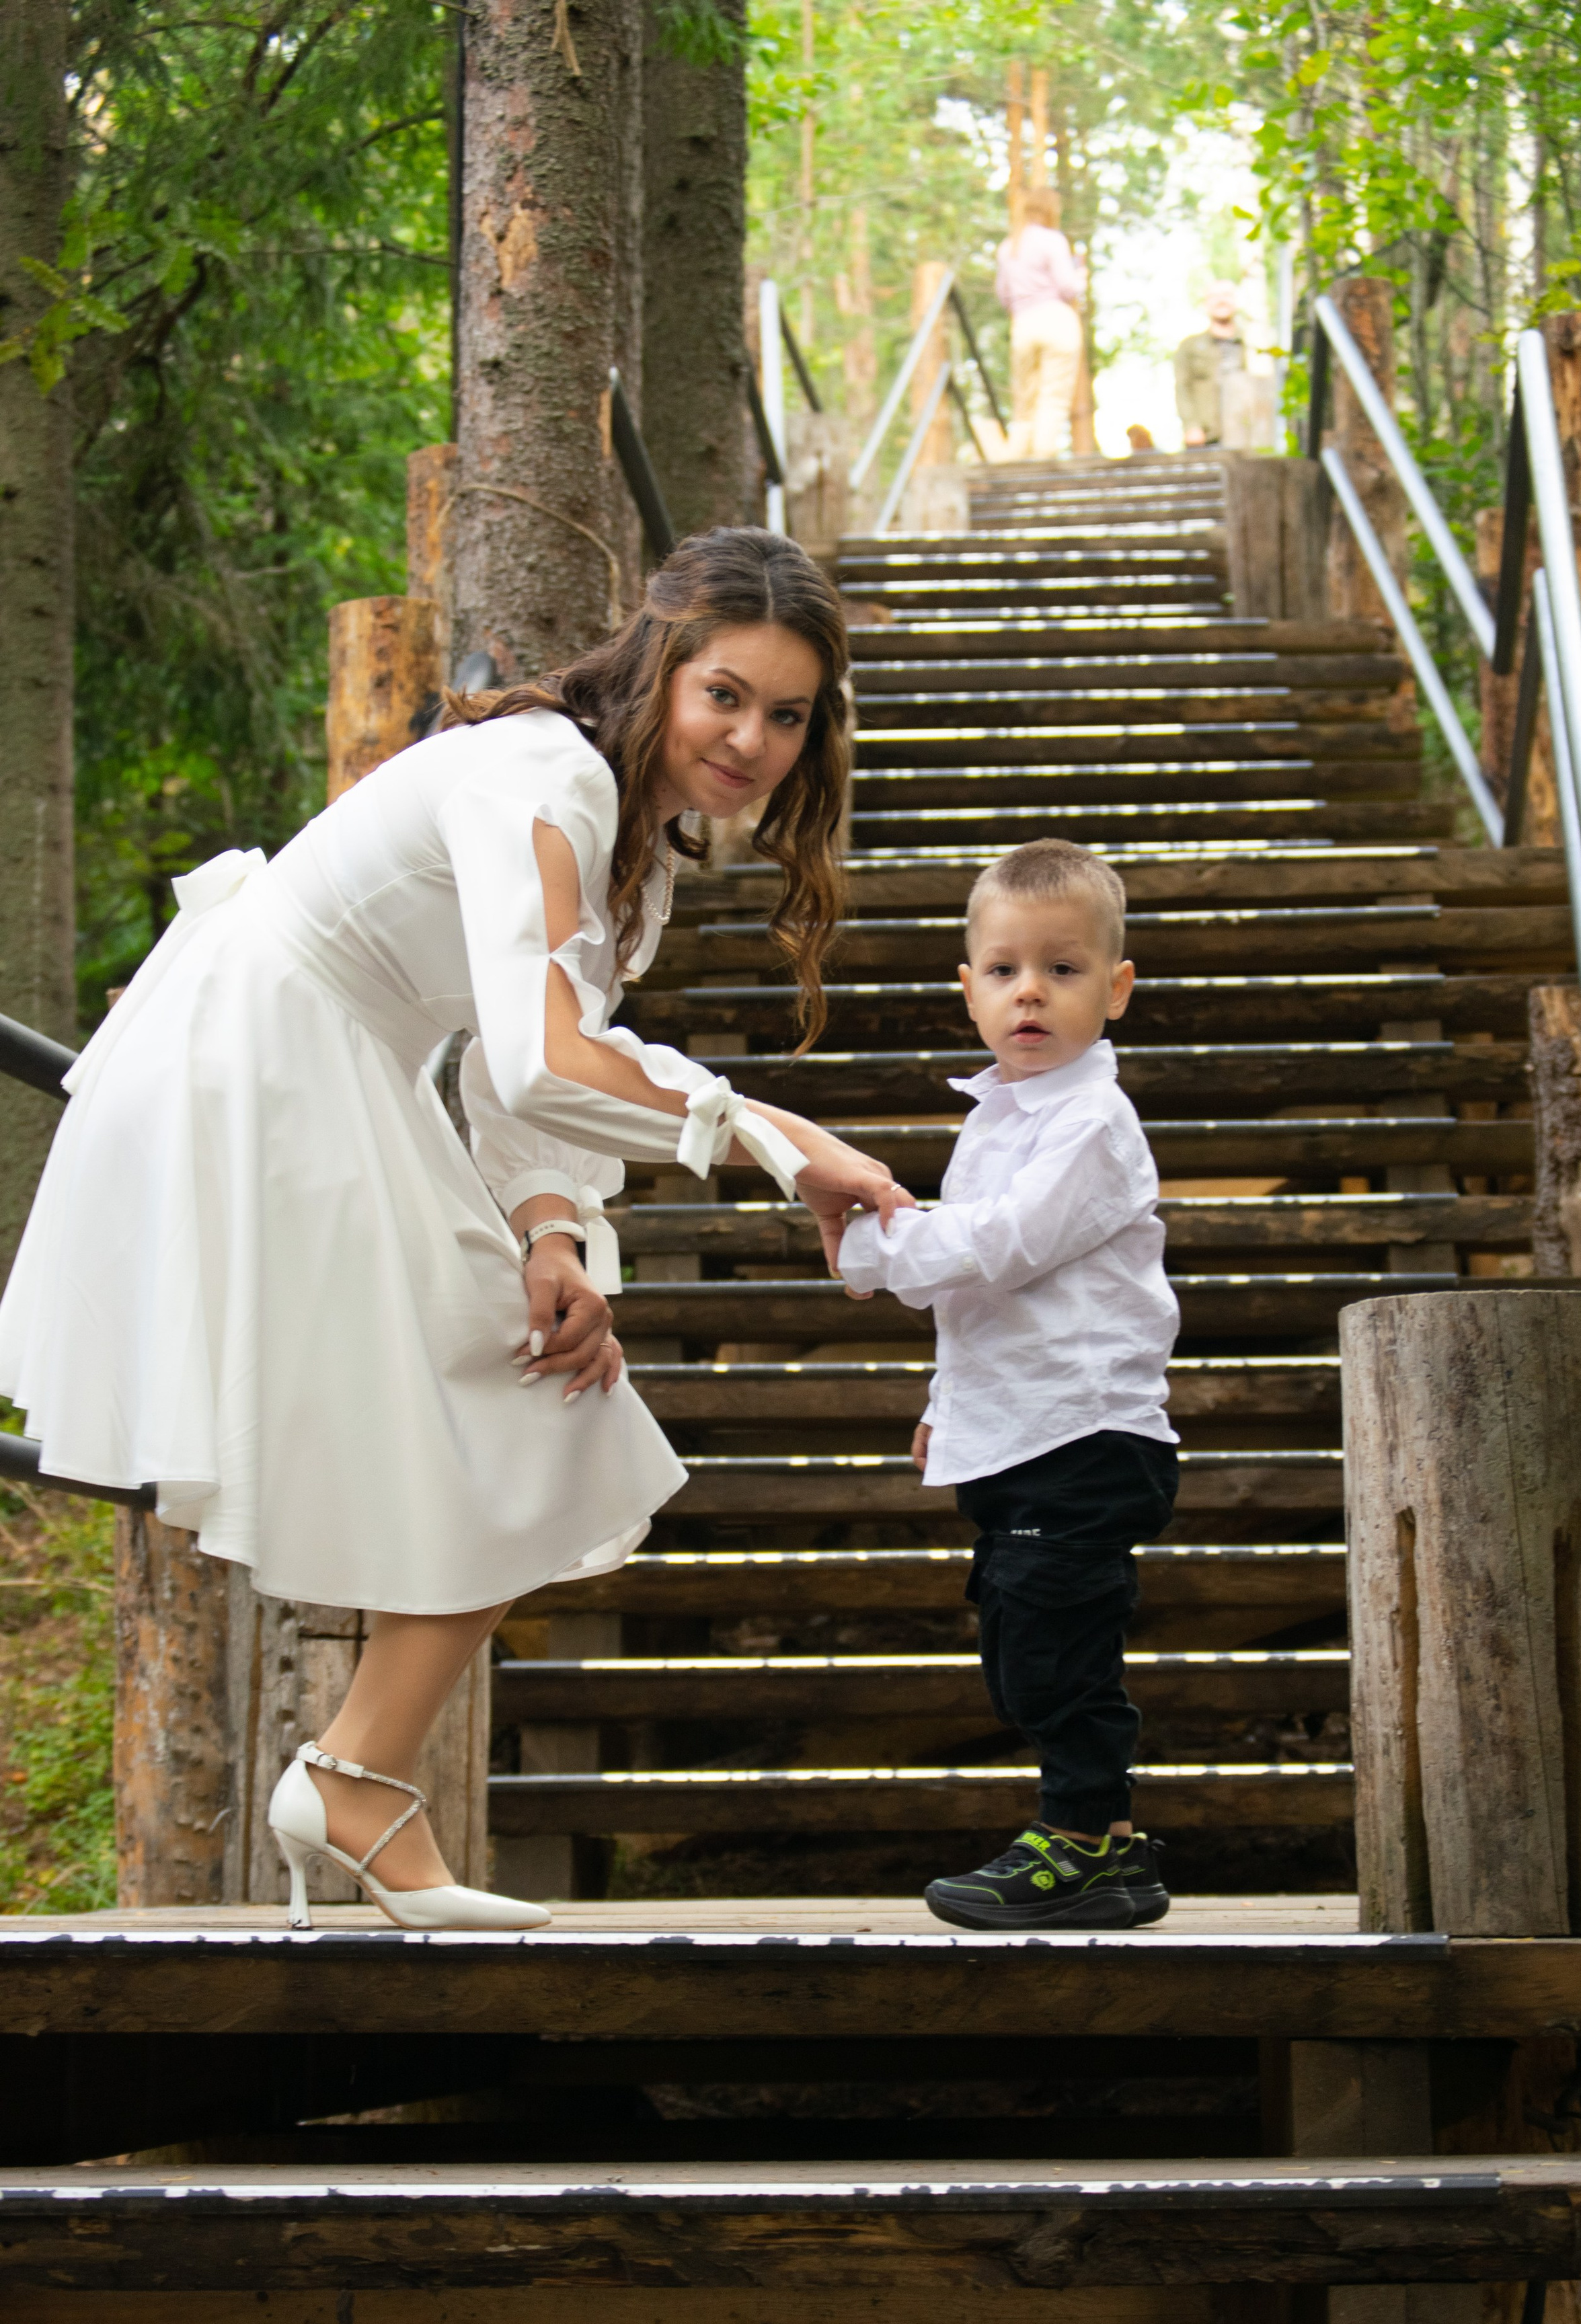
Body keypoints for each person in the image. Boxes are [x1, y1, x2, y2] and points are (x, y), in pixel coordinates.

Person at [0, 528, 911, 1933]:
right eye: (724, 694)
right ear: (661, 662)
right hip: (263, 1059)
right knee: (521, 1404)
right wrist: (786, 1144)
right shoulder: (544, 777)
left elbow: (516, 1070)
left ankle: (355, 1774)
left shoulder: (628, 850)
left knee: (536, 1392)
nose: (751, 739)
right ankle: (353, 1777)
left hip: (324, 1060)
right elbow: (550, 1056)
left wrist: (552, 1234)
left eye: (787, 715)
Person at [838, 839, 1181, 1931]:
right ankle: (1106, 1850)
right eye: (1003, 970)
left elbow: (1002, 1247)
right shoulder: (997, 1119)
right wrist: (949, 1410)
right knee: (1019, 1641)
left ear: (1115, 989)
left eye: (1063, 969)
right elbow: (977, 1305)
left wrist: (867, 1242)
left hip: (1084, 1435)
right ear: (969, 989)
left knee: (1054, 1644)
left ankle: (1084, 1840)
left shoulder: (1091, 1123)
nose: (1029, 991)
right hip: (1020, 1433)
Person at [994, 186, 1086, 463]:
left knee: (1024, 396)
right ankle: (1044, 452)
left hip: (1023, 324)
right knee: (1054, 393)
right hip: (1056, 319)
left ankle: (1015, 455)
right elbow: (1068, 287)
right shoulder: (1052, 240)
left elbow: (1003, 295)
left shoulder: (1008, 246)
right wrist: (1081, 275)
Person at [1173, 282, 1247, 448]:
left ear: (1236, 302)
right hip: (1207, 437)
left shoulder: (1252, 345)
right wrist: (1191, 426)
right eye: (1215, 296)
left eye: (1227, 295)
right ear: (1206, 304)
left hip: (1247, 435)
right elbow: (1183, 388)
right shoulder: (1190, 347)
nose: (1222, 300)